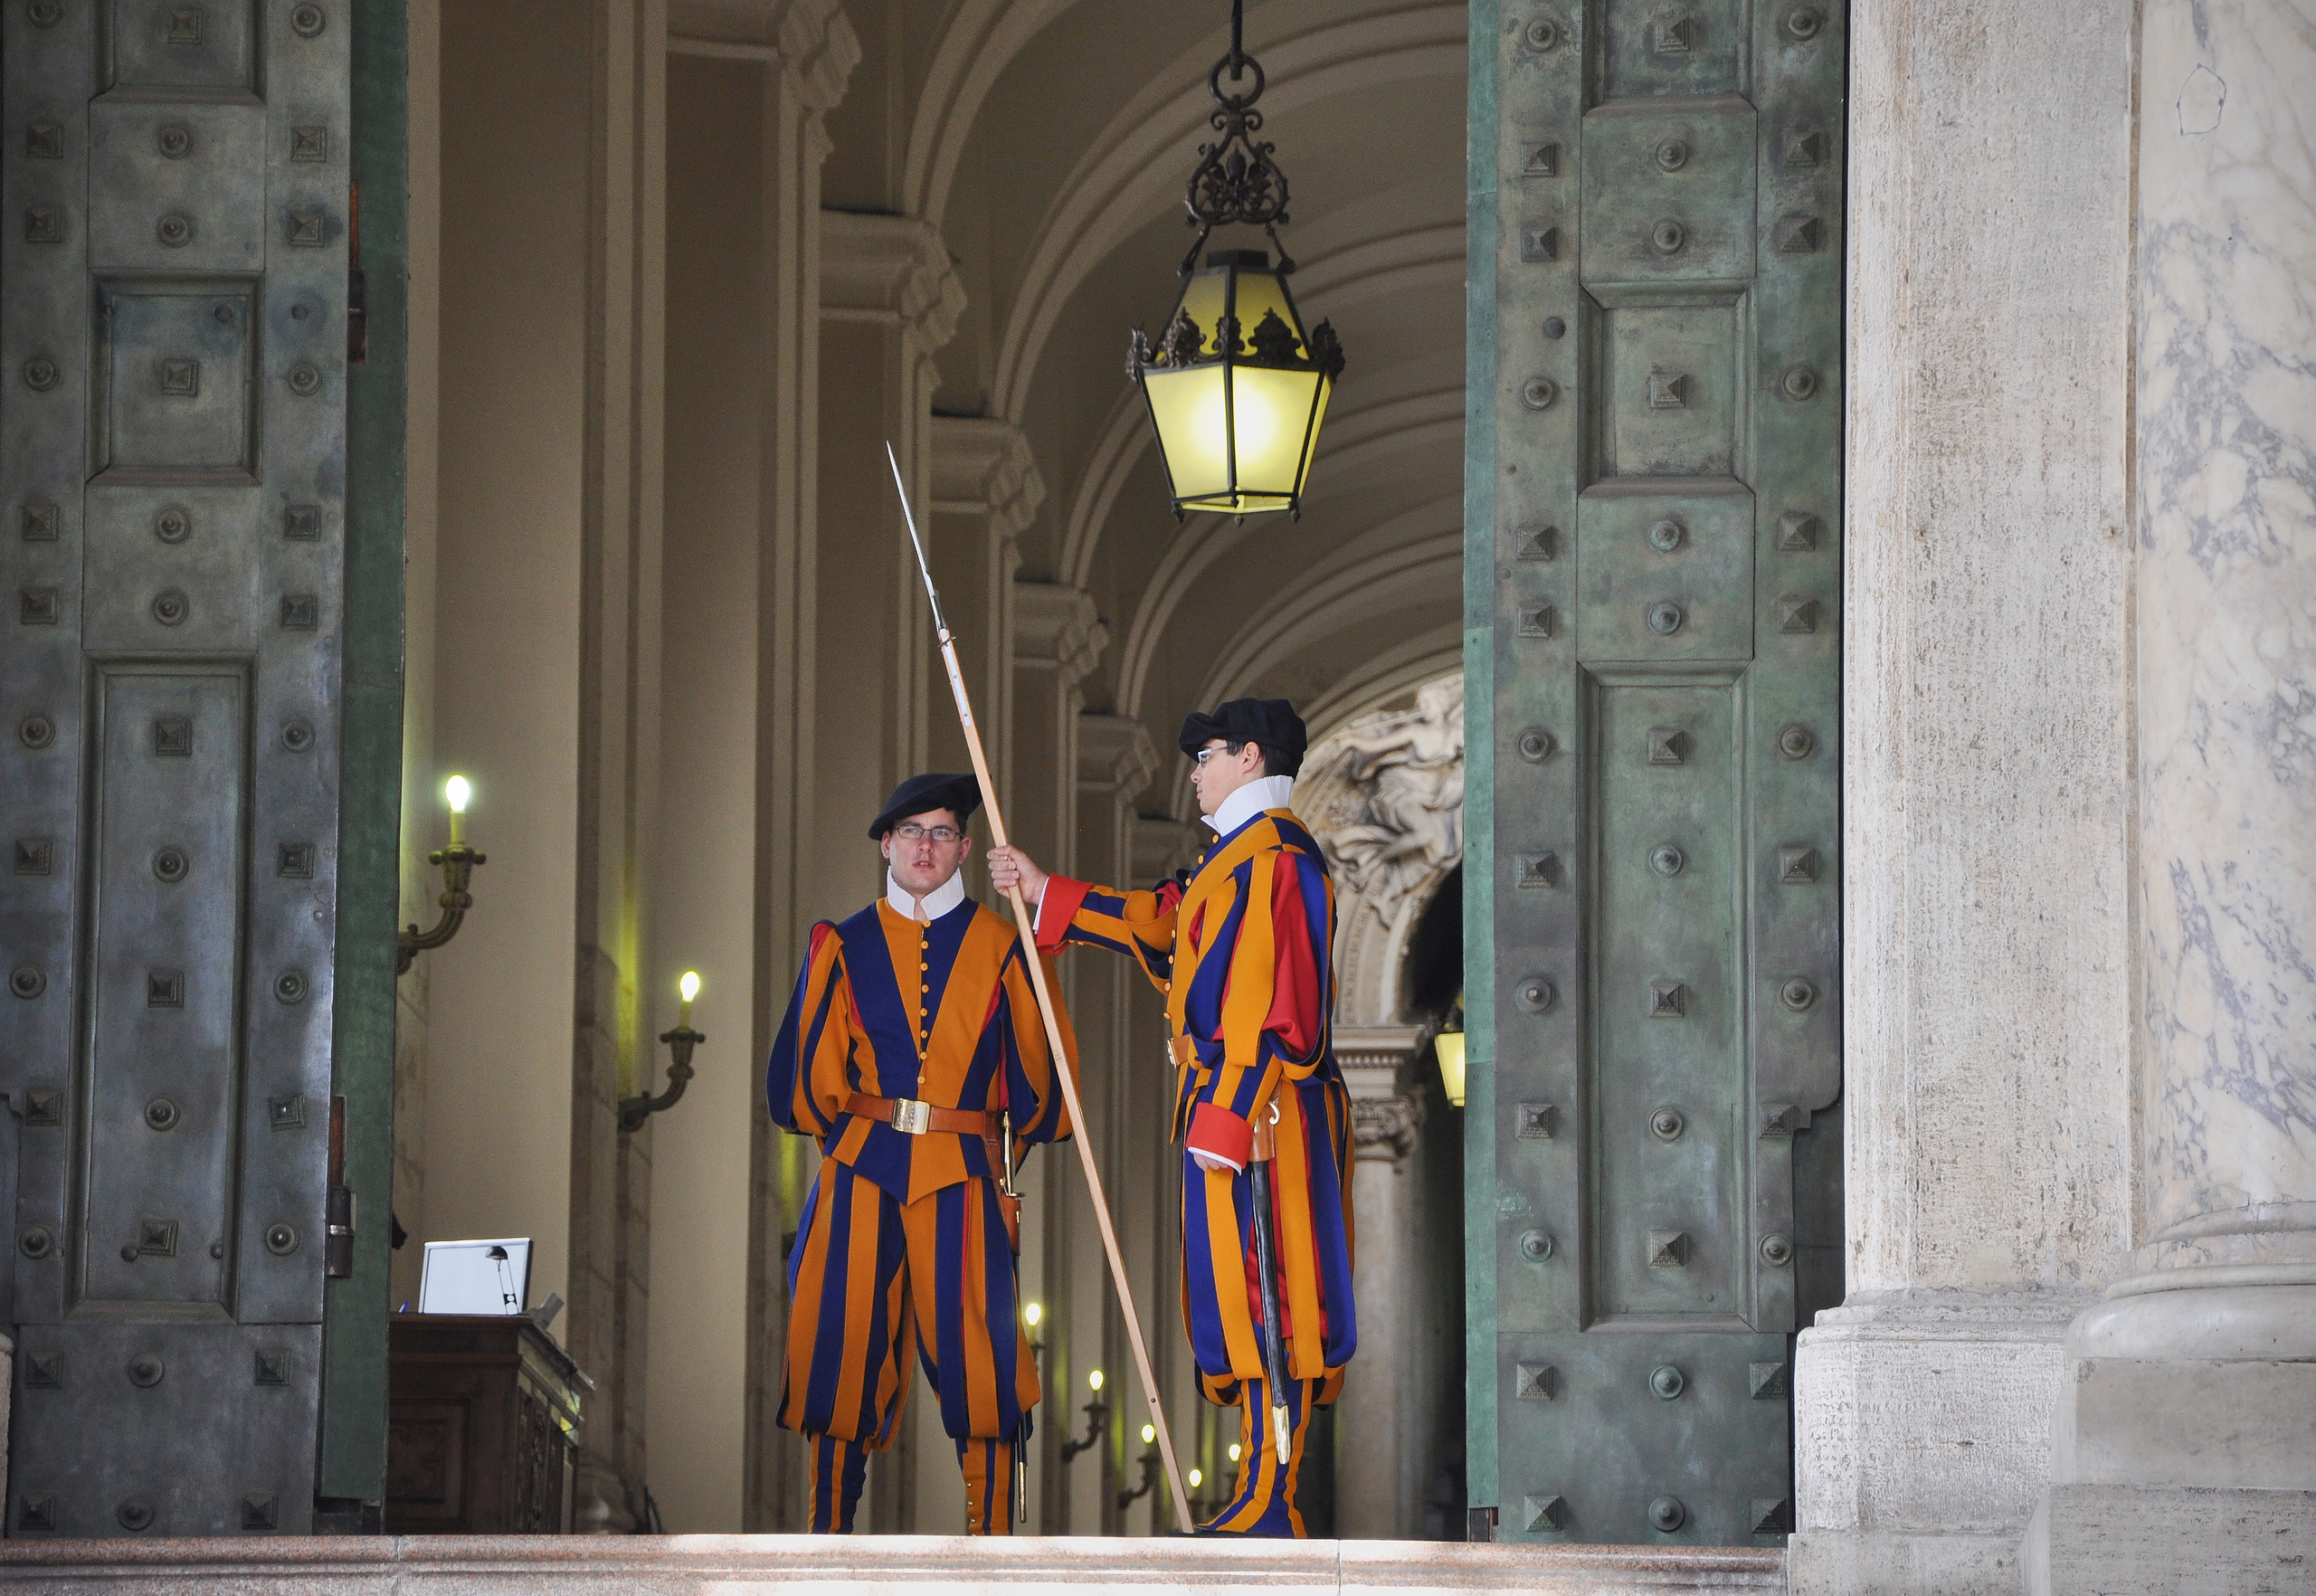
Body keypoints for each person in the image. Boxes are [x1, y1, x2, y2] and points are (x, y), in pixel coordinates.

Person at [987, 698, 1354, 1538]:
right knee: (1234, 1301)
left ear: (1251, 757)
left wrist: (1227, 1116)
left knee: (1274, 1304)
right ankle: (1259, 1485)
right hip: (1229, 1110)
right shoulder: (1232, 862)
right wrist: (1047, 894)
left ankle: (1274, 1495)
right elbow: (1161, 923)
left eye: (1207, 756)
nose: (1194, 773)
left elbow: (1274, 1006)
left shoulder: (1278, 859)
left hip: (1262, 1116)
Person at [767, 772, 1077, 1534]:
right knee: (839, 1341)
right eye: (911, 833)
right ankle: (828, 1536)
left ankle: (993, 1538)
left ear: (965, 848)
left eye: (941, 833)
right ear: (886, 844)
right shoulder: (842, 943)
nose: (925, 847)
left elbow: (1040, 1085)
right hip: (862, 1167)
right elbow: (806, 1082)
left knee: (985, 1353)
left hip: (965, 1172)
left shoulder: (1004, 945)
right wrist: (842, 1139)